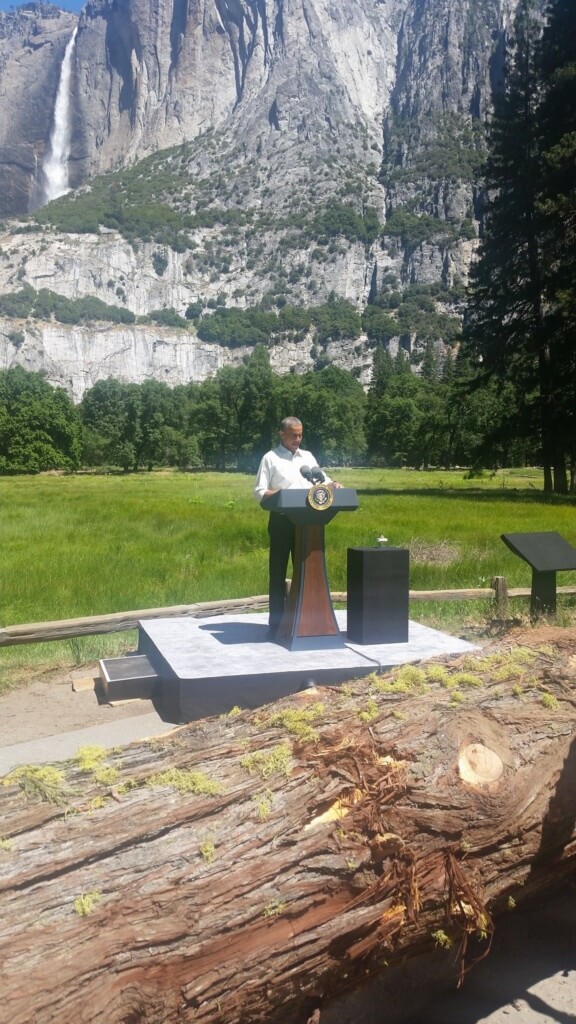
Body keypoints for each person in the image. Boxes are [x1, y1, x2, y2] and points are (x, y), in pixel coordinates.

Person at [253, 417, 339, 638]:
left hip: (309, 525)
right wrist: (283, 496)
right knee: (278, 574)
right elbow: (260, 493)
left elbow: (322, 483)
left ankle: (306, 624)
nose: (297, 439)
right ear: (282, 434)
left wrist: (334, 485)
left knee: (307, 574)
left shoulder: (308, 457)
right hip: (282, 522)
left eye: (300, 435)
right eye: (293, 435)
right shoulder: (270, 458)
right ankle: (276, 626)